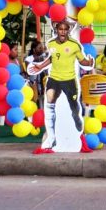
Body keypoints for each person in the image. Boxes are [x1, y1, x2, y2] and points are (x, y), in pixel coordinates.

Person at [29, 21, 94, 153]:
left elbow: (82, 61)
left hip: (69, 80)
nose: (63, 31)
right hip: (54, 79)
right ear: (56, 30)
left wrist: (89, 62)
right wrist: (40, 66)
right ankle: (52, 137)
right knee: (49, 106)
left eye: (65, 29)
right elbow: (52, 58)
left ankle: (77, 122)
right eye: (61, 29)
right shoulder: (51, 44)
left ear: (68, 31)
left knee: (74, 108)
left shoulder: (74, 45)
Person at [24, 39, 49, 104]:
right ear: (34, 50)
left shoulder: (44, 57)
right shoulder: (28, 59)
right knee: (36, 101)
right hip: (34, 84)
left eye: (42, 47)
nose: (42, 49)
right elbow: (29, 71)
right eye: (39, 48)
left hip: (44, 83)